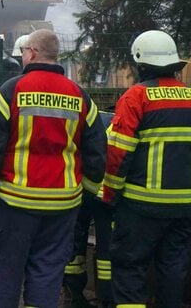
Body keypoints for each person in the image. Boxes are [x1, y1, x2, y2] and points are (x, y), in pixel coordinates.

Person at [0, 29, 106, 308]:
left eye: (23, 52)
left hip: (14, 201)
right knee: (47, 270)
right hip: (63, 205)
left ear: (32, 52)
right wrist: (84, 194)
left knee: (6, 270)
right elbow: (97, 152)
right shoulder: (79, 95)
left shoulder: (11, 90)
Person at [102, 30, 191, 308]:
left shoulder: (136, 97)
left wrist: (110, 195)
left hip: (139, 207)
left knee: (130, 270)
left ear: (140, 64)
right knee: (173, 273)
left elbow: (118, 154)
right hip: (181, 206)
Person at [62, 109, 115, 308]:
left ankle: (73, 296)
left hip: (79, 188)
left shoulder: (83, 120)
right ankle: (107, 299)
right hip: (103, 192)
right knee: (106, 248)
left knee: (75, 244)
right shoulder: (114, 122)